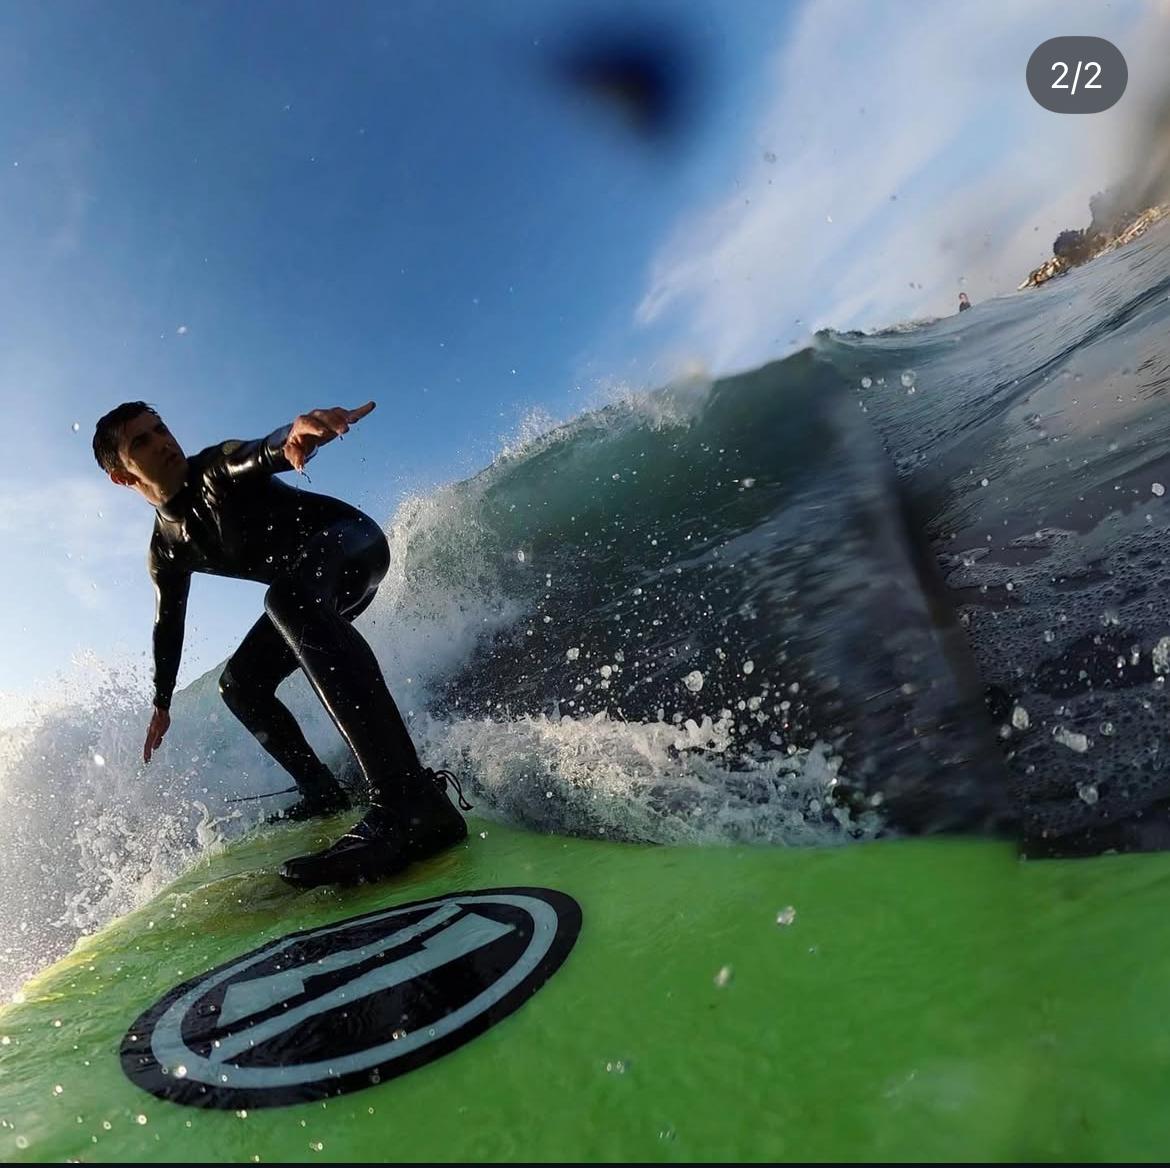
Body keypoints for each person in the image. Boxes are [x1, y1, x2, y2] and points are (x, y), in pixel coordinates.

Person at [91, 400, 469, 888]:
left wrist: (289, 437)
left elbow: (253, 454)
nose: (162, 440)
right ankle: (321, 792)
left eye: (160, 428)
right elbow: (168, 622)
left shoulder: (214, 470)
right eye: (141, 441)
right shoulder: (166, 548)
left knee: (286, 600)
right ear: (122, 475)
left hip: (352, 543)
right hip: (306, 591)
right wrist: (161, 702)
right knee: (240, 685)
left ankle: (408, 802)